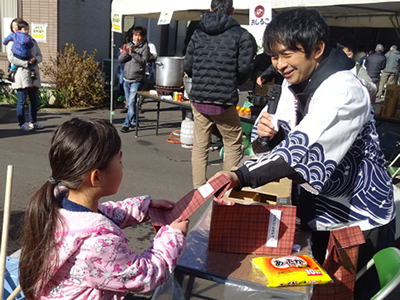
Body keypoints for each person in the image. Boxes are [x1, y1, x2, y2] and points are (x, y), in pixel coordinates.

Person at [211, 8, 395, 300]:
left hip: (357, 217)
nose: (280, 65)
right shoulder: (292, 82)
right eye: (273, 56)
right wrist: (267, 134)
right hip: (318, 207)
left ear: (317, 49)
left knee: (346, 293)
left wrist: (240, 175)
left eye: (287, 55)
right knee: (315, 289)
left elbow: (301, 152)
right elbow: (284, 139)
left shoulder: (345, 89)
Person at [18, 118, 189, 299]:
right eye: (119, 162)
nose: (123, 167)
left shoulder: (58, 206)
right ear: (96, 177)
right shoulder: (97, 243)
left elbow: (108, 213)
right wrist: (173, 236)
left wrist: (144, 206)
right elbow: (146, 274)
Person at [183, 0, 254, 189]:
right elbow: (245, 68)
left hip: (198, 98)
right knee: (232, 142)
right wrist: (232, 82)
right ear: (232, 11)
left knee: (200, 144)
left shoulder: (198, 33)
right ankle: (227, 186)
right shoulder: (242, 35)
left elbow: (187, 65)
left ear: (210, 9)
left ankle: (199, 187)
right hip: (223, 99)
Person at [7, 18, 43, 131]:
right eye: (14, 27)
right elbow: (11, 57)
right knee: (22, 101)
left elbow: (40, 56)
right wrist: (26, 62)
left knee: (34, 100)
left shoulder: (32, 40)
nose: (16, 28)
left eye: (18, 26)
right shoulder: (12, 41)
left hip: (33, 75)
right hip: (21, 75)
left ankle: (33, 121)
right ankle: (22, 123)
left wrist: (35, 59)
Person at [118, 26, 149, 133]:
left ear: (143, 37)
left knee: (131, 102)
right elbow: (120, 59)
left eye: (139, 35)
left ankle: (126, 124)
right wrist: (126, 53)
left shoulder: (145, 47)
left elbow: (144, 62)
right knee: (130, 103)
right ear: (132, 36)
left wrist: (133, 53)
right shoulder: (128, 45)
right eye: (135, 35)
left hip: (137, 79)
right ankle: (134, 121)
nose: (137, 38)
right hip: (126, 78)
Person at [338, 36, 377, 102]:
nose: (345, 58)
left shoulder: (358, 69)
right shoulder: (330, 67)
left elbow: (373, 89)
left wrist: (360, 82)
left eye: (349, 55)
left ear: (354, 54)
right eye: (342, 54)